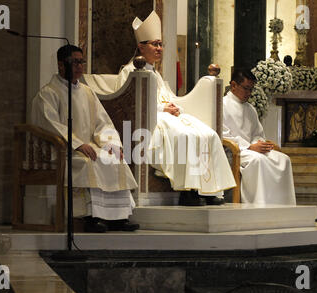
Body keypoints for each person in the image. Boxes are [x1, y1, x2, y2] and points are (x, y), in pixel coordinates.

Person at [115, 11, 236, 206]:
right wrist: (164, 109)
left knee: (208, 134)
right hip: (149, 119)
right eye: (155, 44)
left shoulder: (154, 72)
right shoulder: (130, 71)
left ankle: (209, 189)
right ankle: (187, 191)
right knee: (184, 135)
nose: (160, 48)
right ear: (140, 46)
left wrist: (172, 106)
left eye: (161, 44)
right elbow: (131, 104)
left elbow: (166, 96)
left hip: (167, 116)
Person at [31, 45, 139, 233]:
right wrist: (78, 144)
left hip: (88, 147)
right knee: (89, 162)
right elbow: (49, 124)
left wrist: (111, 144)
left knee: (114, 158)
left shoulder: (87, 92)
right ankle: (90, 217)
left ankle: (118, 218)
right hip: (62, 150)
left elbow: (102, 123)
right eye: (75, 62)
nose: (80, 66)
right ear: (61, 65)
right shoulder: (48, 93)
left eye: (82, 62)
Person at [223, 69, 296, 205]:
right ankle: (259, 204)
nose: (249, 93)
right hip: (236, 151)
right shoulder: (222, 105)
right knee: (258, 161)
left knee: (283, 159)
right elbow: (223, 135)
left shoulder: (250, 108)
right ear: (233, 85)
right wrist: (249, 146)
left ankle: (282, 205)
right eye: (246, 89)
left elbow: (257, 134)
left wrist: (259, 144)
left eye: (251, 89)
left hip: (252, 149)